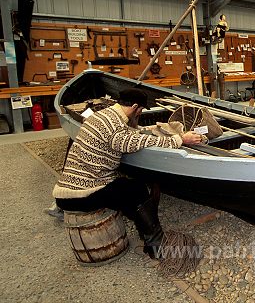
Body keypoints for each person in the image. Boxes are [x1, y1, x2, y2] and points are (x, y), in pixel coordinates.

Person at [52, 88, 205, 258]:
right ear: (134, 106)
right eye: (139, 110)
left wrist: (150, 128)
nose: (139, 114)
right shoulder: (116, 128)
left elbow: (131, 134)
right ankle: (157, 247)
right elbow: (137, 141)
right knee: (136, 190)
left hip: (65, 192)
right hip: (81, 196)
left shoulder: (103, 116)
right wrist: (181, 139)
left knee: (126, 187)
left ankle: (145, 230)